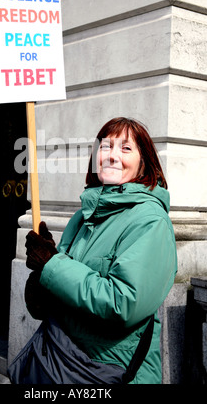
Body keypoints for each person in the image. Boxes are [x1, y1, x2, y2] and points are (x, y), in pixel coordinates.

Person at [25, 117, 177, 384]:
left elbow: (123, 304)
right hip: (63, 364)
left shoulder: (150, 221)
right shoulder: (82, 216)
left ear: (144, 163)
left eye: (126, 148)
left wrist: (54, 264)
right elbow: (54, 297)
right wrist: (41, 273)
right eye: (105, 146)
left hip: (111, 373)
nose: (112, 156)